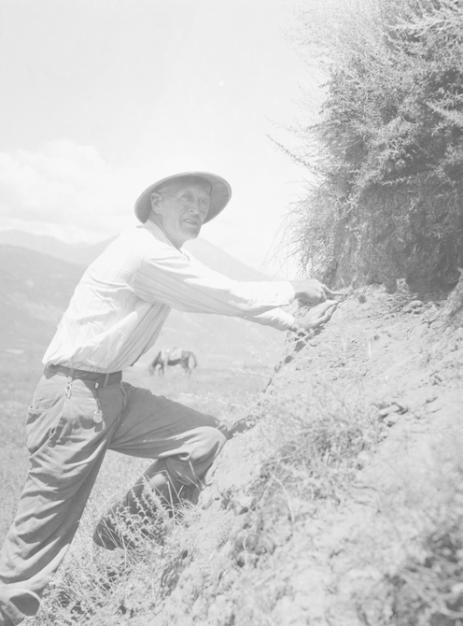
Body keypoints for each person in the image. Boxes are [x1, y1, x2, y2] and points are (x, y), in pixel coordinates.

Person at [0, 171, 336, 625]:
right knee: (43, 530)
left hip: (111, 392)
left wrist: (293, 323)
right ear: (157, 201)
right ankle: (13, 614)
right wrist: (290, 290)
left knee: (204, 438)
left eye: (204, 203)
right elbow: (221, 294)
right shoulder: (143, 252)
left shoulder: (168, 256)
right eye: (188, 198)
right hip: (73, 397)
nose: (198, 209)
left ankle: (124, 527)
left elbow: (219, 294)